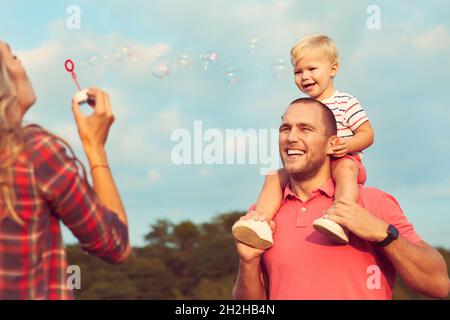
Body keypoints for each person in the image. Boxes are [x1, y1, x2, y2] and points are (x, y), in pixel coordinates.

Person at [232, 98, 449, 299]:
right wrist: (248, 261)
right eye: (285, 129)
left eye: (305, 129)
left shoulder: (372, 202)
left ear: (331, 144)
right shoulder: (262, 216)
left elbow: (439, 285)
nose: (291, 137)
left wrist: (382, 233)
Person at [0, 41, 130, 299]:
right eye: (13, 57)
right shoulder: (34, 152)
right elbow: (115, 245)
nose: (21, 61)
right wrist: (95, 148)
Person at [232, 34, 374, 246]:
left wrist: (348, 145)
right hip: (314, 167)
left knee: (344, 168)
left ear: (333, 69)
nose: (304, 76)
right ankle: (260, 222)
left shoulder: (345, 102)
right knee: (273, 177)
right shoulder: (301, 108)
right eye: (298, 72)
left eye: (312, 69)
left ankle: (340, 217)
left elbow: (367, 133)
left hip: (345, 160)